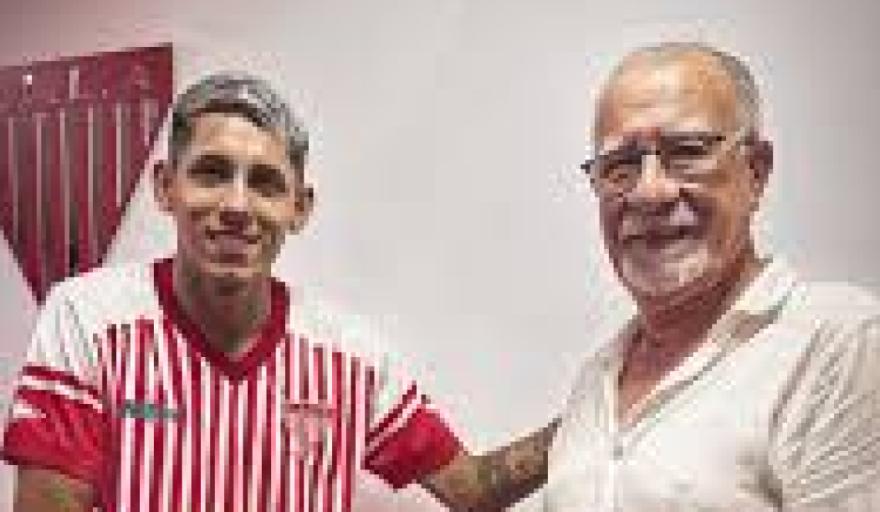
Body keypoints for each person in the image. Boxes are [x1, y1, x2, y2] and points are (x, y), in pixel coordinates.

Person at [1, 72, 556, 511]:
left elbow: (471, 488)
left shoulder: (353, 357)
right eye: (212, 173)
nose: (237, 206)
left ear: (299, 209)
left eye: (266, 183)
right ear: (166, 188)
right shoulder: (88, 320)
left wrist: (599, 403)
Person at [544, 42, 880, 511]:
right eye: (620, 167)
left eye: (686, 152)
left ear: (756, 171)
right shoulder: (594, 383)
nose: (650, 193)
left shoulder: (836, 342)